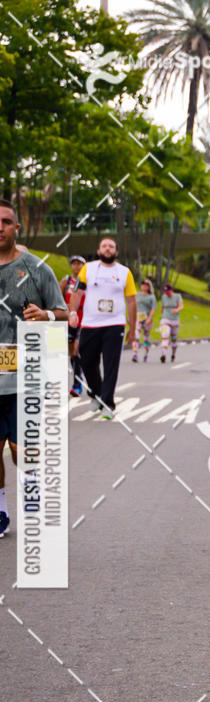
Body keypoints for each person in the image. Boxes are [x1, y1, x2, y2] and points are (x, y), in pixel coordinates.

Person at [0, 198, 68, 537]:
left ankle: (31, 491)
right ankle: (1, 510)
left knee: (21, 450)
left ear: (17, 227)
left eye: (6, 221)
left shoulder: (37, 269)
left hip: (27, 377)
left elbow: (64, 313)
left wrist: (45, 315)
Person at [68, 236, 136, 420]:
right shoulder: (88, 269)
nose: (107, 248)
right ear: (98, 251)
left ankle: (107, 404)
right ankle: (96, 394)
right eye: (104, 246)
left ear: (116, 252)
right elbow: (77, 292)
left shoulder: (124, 272)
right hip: (91, 323)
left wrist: (133, 327)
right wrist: (73, 312)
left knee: (110, 364)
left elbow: (131, 301)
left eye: (111, 246)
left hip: (115, 324)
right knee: (87, 361)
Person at [60, 254, 86, 396]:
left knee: (76, 349)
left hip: (84, 321)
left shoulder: (87, 281)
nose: (76, 266)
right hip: (69, 321)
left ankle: (77, 384)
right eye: (74, 263)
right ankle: (78, 378)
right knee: (72, 353)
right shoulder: (66, 281)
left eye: (79, 263)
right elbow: (58, 299)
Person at [132, 279, 156, 363]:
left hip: (147, 319)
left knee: (146, 338)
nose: (144, 286)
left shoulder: (151, 297)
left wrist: (149, 318)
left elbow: (153, 309)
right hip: (138, 318)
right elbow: (133, 306)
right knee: (136, 336)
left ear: (149, 287)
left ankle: (146, 354)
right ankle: (135, 354)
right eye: (143, 285)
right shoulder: (137, 295)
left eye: (146, 285)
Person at [159, 283, 183, 364]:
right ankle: (163, 354)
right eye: (166, 292)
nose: (167, 294)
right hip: (165, 319)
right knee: (165, 336)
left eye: (168, 292)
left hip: (175, 320)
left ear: (171, 290)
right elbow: (162, 307)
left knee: (174, 340)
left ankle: (173, 353)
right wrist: (162, 315)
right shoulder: (163, 297)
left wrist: (176, 310)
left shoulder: (177, 296)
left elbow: (181, 306)